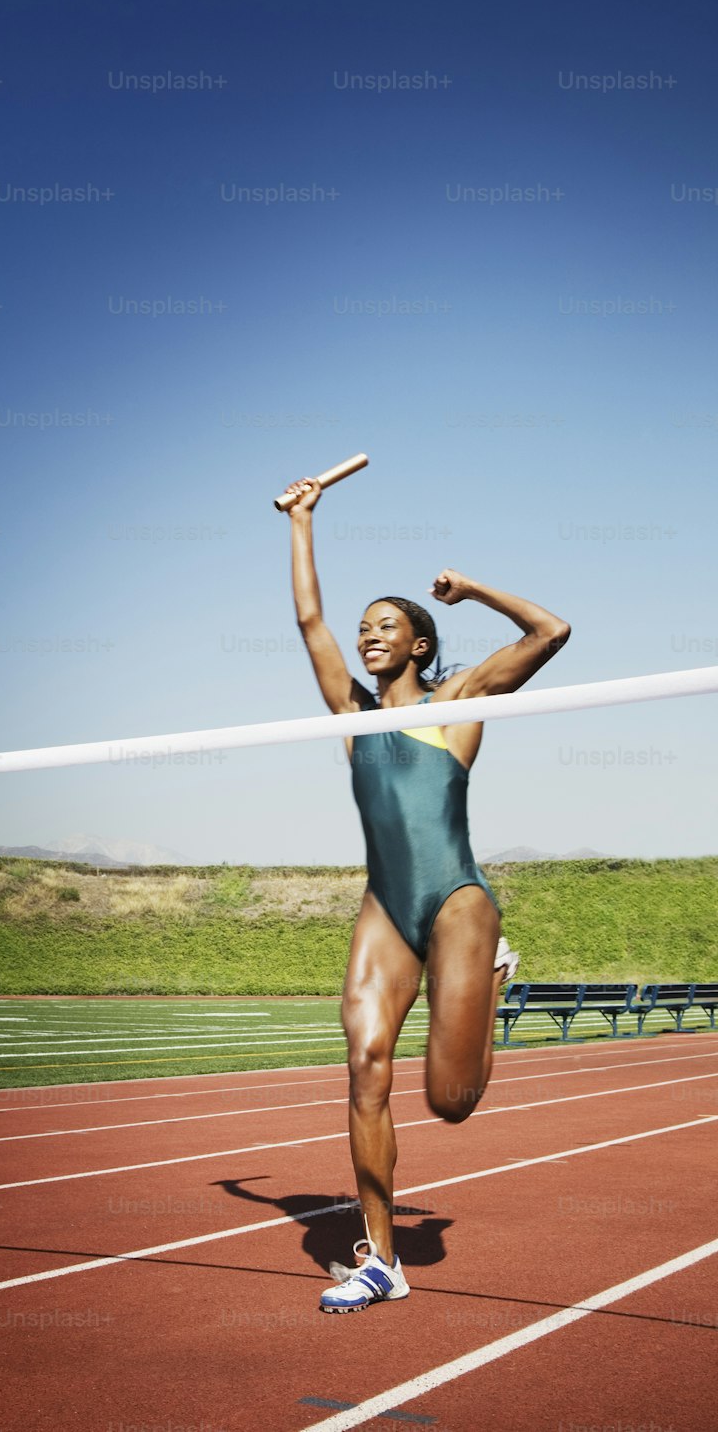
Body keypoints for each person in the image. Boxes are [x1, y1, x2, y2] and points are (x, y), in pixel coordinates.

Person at [282, 474, 571, 1313]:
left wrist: (474, 586)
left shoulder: (458, 701)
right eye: (364, 626)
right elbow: (309, 620)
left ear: (417, 645)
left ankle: (491, 977)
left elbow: (552, 630)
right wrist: (303, 520)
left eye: (386, 626)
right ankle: (383, 1257)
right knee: (365, 1066)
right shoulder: (349, 710)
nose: (368, 636)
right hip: (386, 905)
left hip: (454, 901)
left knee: (450, 1104)